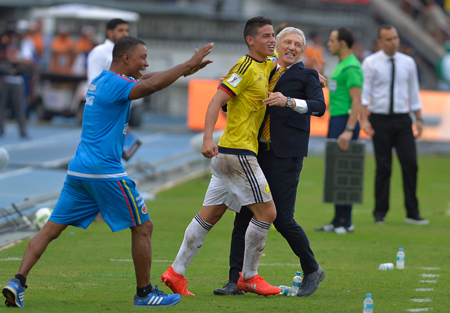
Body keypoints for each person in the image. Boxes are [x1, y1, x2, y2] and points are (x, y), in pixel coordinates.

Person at [2, 35, 214, 308]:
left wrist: (185, 69)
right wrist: (186, 64)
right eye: (142, 58)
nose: (146, 63)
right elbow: (149, 86)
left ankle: (17, 281)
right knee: (143, 226)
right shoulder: (117, 85)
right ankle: (145, 293)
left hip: (79, 170)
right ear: (126, 58)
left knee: (50, 229)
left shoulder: (102, 80)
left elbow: (146, 79)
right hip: (105, 171)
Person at [160, 16, 280, 297]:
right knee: (268, 213)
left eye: (273, 35)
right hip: (238, 153)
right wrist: (206, 137)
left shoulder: (266, 66)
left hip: (228, 155)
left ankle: (175, 272)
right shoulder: (245, 67)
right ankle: (249, 277)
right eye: (266, 36)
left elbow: (279, 68)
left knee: (209, 216)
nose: (272, 40)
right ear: (250, 40)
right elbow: (217, 99)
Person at [213, 27, 326, 297]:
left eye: (298, 44)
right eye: (287, 41)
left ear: (302, 50)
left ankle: (312, 269)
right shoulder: (264, 70)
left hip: (285, 156)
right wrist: (226, 96)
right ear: (277, 45)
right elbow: (238, 103)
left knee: (284, 219)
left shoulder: (307, 74)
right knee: (242, 216)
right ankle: (235, 279)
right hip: (254, 153)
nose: (292, 47)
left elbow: (319, 107)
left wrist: (288, 101)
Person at [360, 25, 429, 225]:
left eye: (396, 38)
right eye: (389, 39)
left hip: (402, 119)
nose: (394, 42)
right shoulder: (370, 63)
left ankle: (412, 212)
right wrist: (364, 119)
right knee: (383, 167)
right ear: (380, 42)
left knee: (411, 165)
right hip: (379, 119)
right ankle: (380, 213)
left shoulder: (408, 63)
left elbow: (414, 93)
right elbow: (364, 95)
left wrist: (419, 119)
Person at [315, 27, 363, 234]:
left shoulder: (352, 67)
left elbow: (357, 101)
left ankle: (347, 221)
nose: (329, 44)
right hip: (336, 120)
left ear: (342, 43)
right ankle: (337, 220)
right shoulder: (341, 65)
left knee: (345, 170)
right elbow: (338, 91)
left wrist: (349, 129)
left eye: (332, 40)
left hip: (345, 122)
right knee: (336, 170)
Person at [87, 18, 129, 85]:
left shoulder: (128, 52)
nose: (125, 34)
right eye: (120, 30)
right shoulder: (99, 51)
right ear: (110, 33)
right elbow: (94, 81)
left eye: (127, 30)